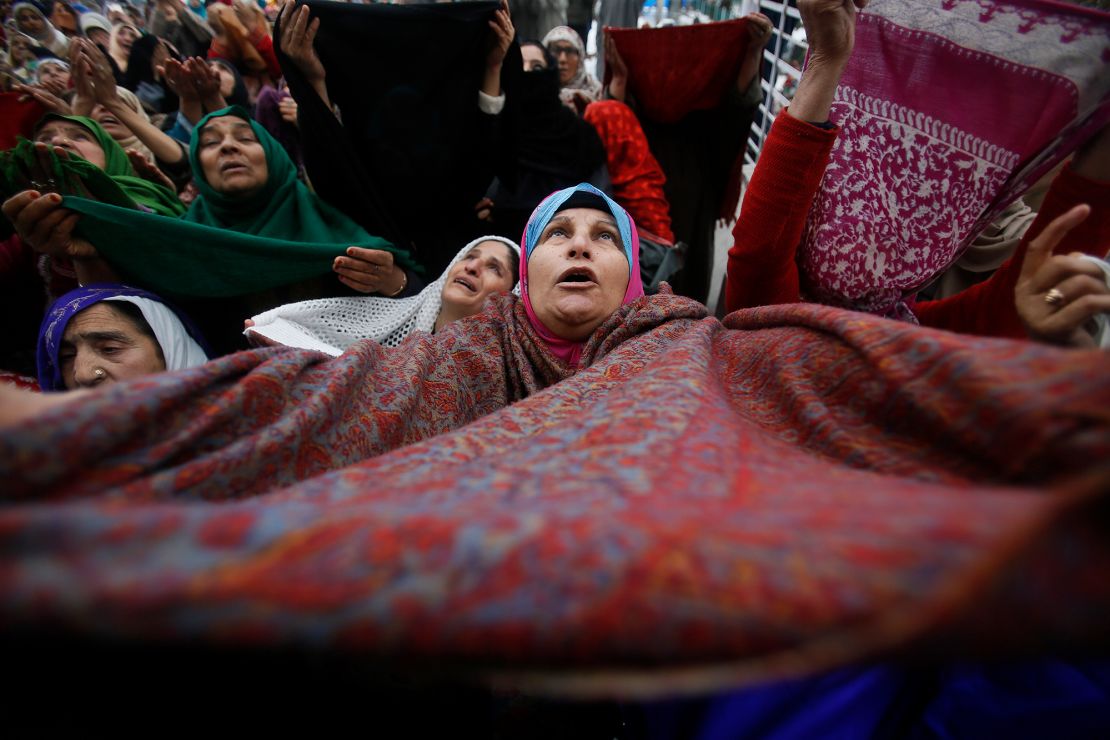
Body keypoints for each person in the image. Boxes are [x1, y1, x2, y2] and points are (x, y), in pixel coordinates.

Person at [724, 0, 1110, 341]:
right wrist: (825, 61)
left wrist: (827, 61)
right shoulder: (894, 336)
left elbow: (1022, 303)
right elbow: (759, 268)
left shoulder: (902, 332)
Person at [247, 236, 520, 353]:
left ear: (510, 297)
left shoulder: (495, 366)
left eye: (494, 268)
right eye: (469, 257)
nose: (472, 267)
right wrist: (276, 329)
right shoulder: (377, 324)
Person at [37, 283, 209, 391]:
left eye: (110, 349)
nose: (83, 375)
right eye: (67, 357)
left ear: (170, 350)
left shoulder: (231, 436)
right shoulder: (49, 447)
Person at [541, 25, 601, 110]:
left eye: (570, 51)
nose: (562, 59)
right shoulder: (533, 91)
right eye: (556, 50)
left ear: (580, 58)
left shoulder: (597, 93)